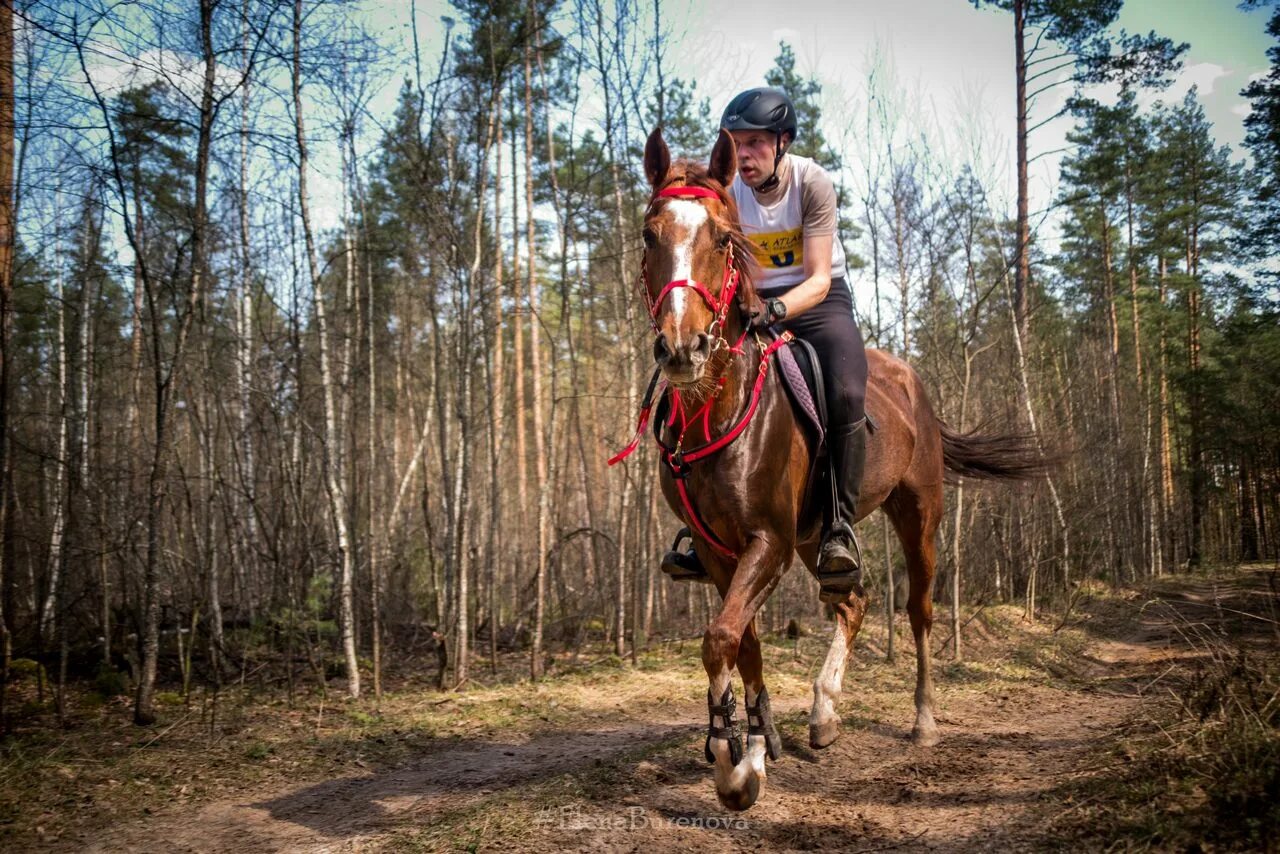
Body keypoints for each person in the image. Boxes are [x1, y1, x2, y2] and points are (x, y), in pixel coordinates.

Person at [661, 87, 868, 601]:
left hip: (817, 302)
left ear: (783, 143)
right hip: (749, 302)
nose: (745, 154)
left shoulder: (811, 182)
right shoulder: (725, 192)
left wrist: (775, 311)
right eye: (737, 143)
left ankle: (838, 529)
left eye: (756, 143)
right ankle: (701, 527)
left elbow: (818, 279)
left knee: (846, 392)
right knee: (694, 382)